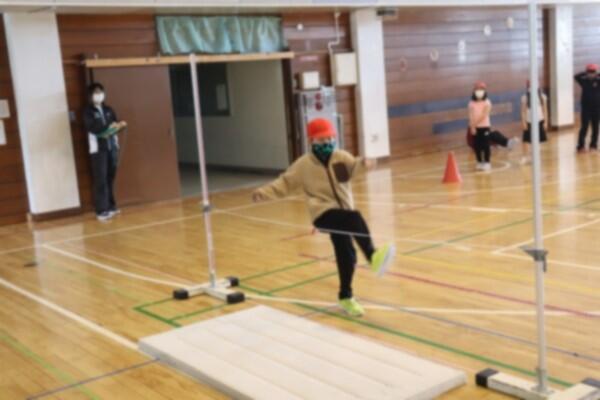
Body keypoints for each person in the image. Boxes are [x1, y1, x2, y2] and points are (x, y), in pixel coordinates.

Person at [252, 118, 396, 317]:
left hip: (343, 213)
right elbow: (284, 183)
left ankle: (345, 296)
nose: (327, 142)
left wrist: (366, 163)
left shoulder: (340, 157)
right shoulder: (303, 165)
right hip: (323, 213)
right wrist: (263, 193)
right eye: (322, 139)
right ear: (312, 140)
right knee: (355, 219)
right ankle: (372, 256)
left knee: (347, 254)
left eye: (329, 138)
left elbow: (354, 167)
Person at [83, 83, 127, 222]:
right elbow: (92, 127)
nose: (99, 95)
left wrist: (120, 125)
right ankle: (101, 210)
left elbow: (114, 124)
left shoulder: (109, 109)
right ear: (91, 95)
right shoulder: (87, 112)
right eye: (96, 92)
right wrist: (108, 126)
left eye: (101, 92)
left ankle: (111, 206)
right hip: (98, 150)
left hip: (111, 148)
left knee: (110, 178)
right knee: (100, 180)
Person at [520, 80, 548, 165]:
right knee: (526, 140)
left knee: (538, 140)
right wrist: (524, 122)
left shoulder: (542, 97)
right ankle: (525, 157)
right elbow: (523, 111)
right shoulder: (525, 97)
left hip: (539, 121)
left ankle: (535, 157)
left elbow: (545, 110)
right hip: (529, 121)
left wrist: (545, 122)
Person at [574, 64, 600, 152]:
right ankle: (580, 146)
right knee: (584, 127)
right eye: (589, 72)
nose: (591, 73)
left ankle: (593, 145)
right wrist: (585, 73)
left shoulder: (598, 80)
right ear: (587, 72)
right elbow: (576, 76)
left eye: (593, 72)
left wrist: (597, 74)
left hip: (597, 108)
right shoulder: (583, 80)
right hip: (586, 109)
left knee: (595, 127)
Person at [468, 81, 493, 171]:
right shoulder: (471, 103)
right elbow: (470, 115)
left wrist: (474, 124)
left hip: (485, 126)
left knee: (485, 145)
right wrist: (472, 127)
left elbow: (484, 115)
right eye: (477, 89)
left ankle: (487, 162)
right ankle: (479, 162)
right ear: (474, 91)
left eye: (481, 89)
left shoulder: (487, 102)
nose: (479, 91)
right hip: (475, 127)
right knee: (476, 145)